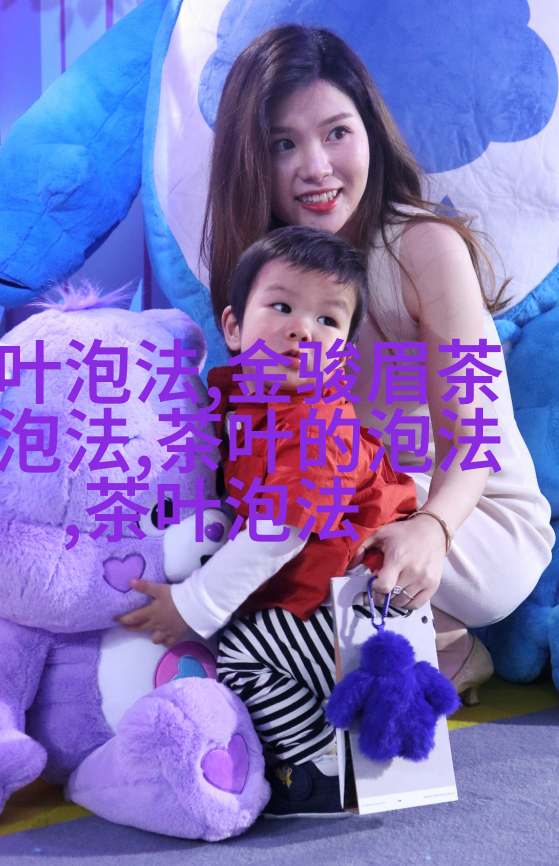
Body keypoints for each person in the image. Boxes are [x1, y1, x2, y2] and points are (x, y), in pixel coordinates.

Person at [198, 24, 554, 694]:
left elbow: (474, 435)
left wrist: (433, 528)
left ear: (370, 134)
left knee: (295, 536)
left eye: (336, 132)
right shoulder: (265, 272)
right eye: (283, 144)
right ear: (252, 160)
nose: (316, 167)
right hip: (347, 497)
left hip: (469, 513)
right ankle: (427, 643)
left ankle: (436, 647)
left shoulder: (424, 248)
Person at [121, 225, 419, 817]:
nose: (303, 329)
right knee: (242, 638)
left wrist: (193, 605)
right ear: (233, 328)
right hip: (311, 596)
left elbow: (279, 531)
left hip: (353, 605)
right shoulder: (233, 398)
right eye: (281, 307)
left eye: (328, 321)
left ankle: (316, 764)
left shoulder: (316, 425)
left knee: (240, 654)